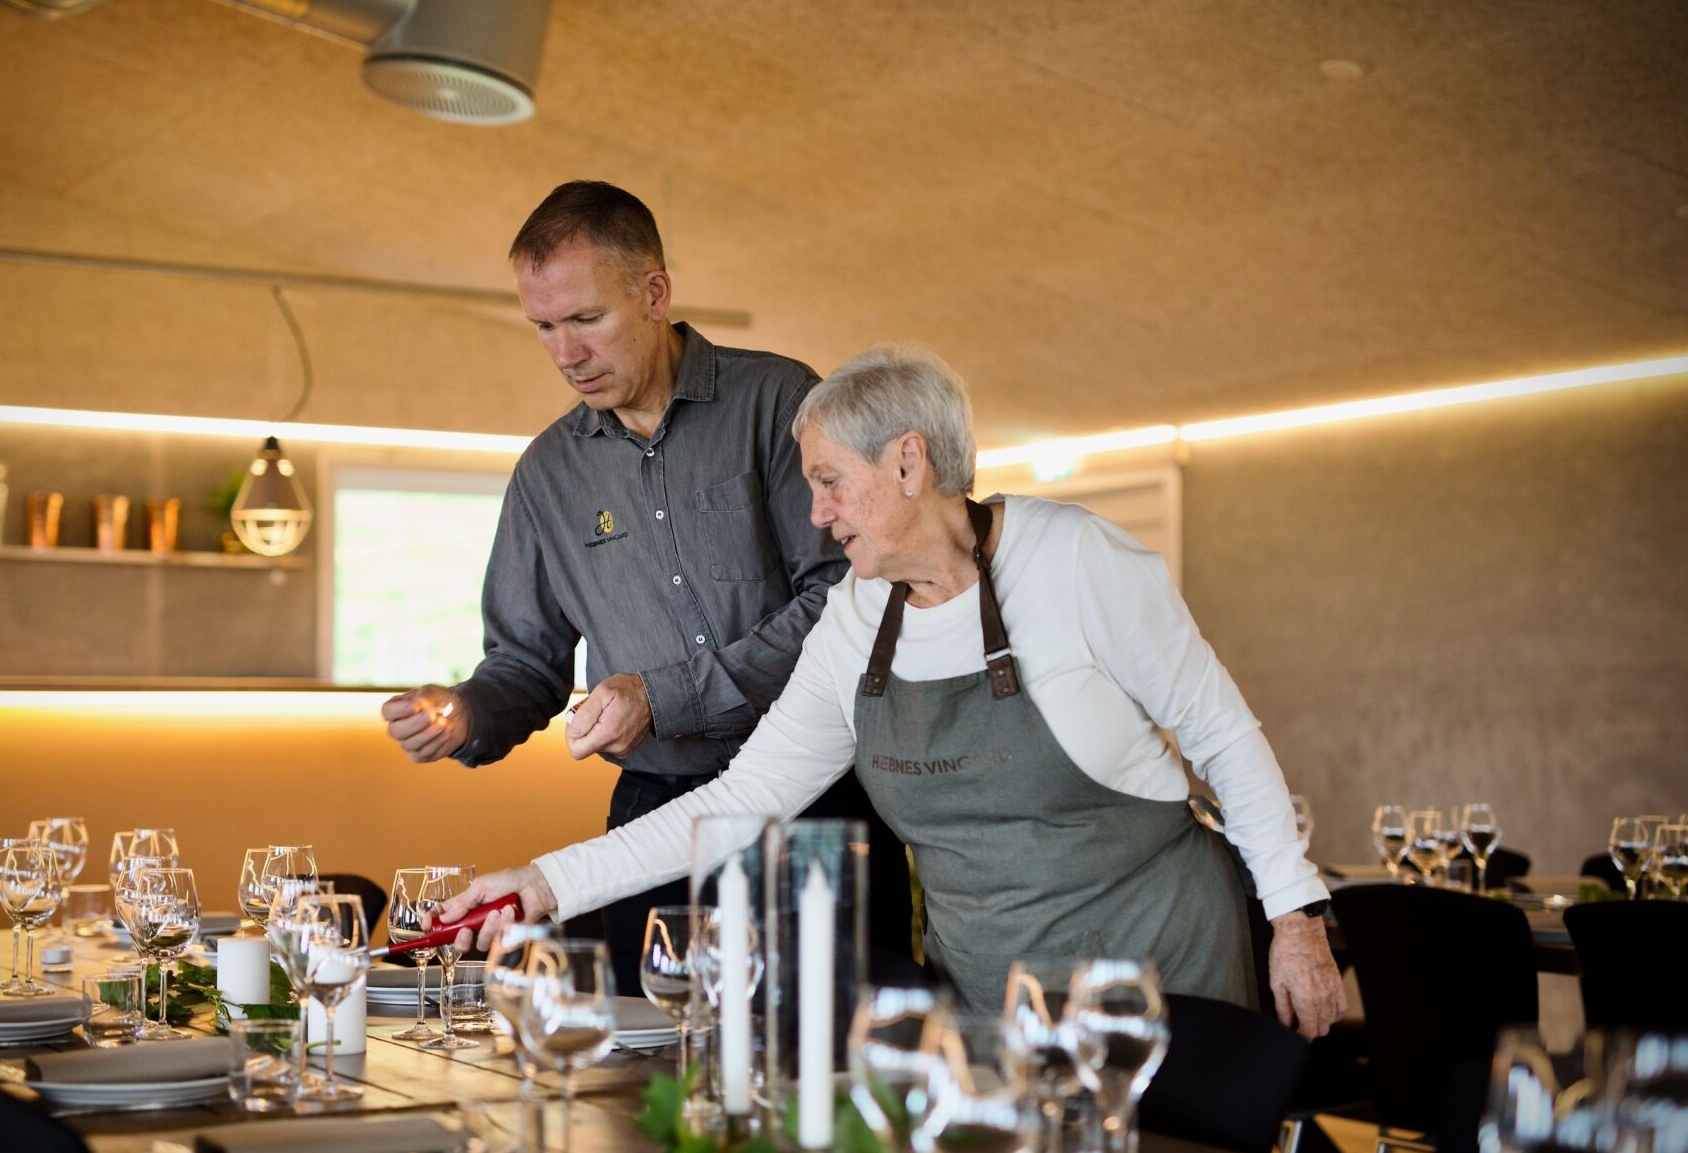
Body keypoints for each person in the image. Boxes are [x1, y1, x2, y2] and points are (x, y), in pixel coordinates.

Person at [437, 343, 1348, 1034]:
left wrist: (1297, 923)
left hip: (1161, 978)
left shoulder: (1078, 560)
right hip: (988, 998)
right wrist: (540, 885)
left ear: (909, 465)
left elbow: (1226, 740)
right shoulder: (856, 615)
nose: (815, 513)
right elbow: (745, 800)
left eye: (831, 483)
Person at [381, 181, 911, 995]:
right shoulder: (546, 475)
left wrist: (663, 697)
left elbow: (845, 599)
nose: (566, 353)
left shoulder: (779, 405)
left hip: (816, 805)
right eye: (544, 327)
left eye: (586, 319)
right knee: (650, 1076)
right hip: (653, 820)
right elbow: (525, 665)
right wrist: (464, 714)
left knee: (834, 1067)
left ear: (654, 293)